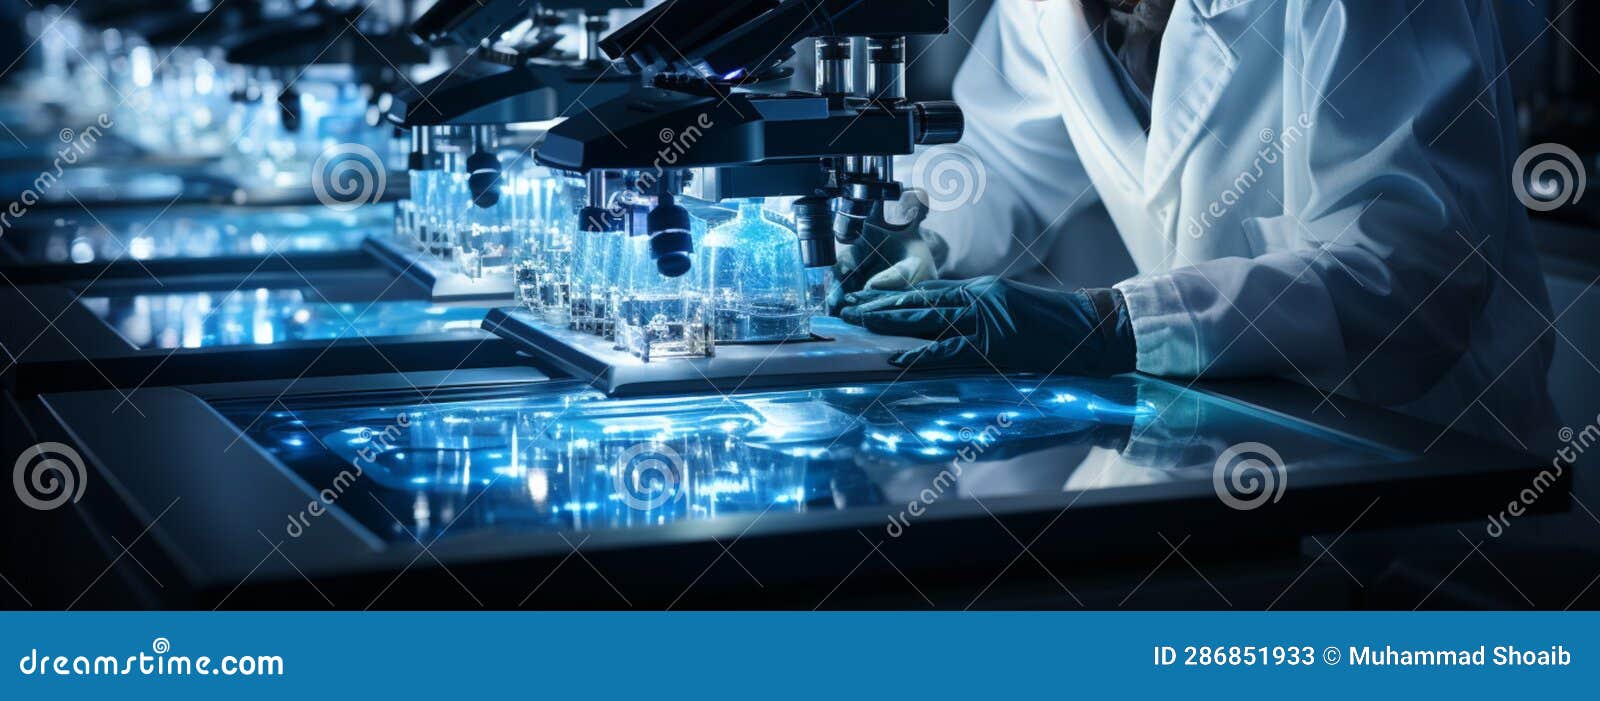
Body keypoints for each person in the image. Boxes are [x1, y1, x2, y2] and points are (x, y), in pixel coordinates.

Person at [835, 0, 1558, 447]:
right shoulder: (1046, 7)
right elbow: (1006, 154)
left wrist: (1116, 324)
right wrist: (926, 229)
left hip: (1426, 471)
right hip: (1222, 440)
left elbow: (1404, 275)